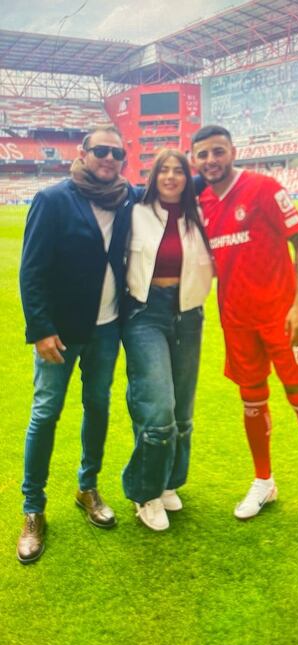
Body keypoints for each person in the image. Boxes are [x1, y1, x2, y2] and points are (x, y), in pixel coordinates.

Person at [191, 124, 298, 540]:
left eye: (218, 151)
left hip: (281, 317)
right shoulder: (200, 200)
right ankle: (264, 482)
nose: (211, 160)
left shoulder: (263, 187)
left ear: (233, 151)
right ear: (195, 160)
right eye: (203, 154)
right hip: (236, 321)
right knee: (252, 400)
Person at [17, 124, 143, 563]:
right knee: (45, 414)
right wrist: (40, 329)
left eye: (117, 153)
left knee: (99, 407)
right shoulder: (53, 200)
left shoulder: (127, 198)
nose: (110, 159)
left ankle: (87, 488)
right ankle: (33, 509)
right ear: (84, 154)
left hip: (107, 329)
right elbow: (30, 270)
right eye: (102, 151)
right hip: (60, 332)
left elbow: (175, 184)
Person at [121, 148, 213, 531]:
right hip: (146, 314)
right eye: (164, 170)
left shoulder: (201, 214)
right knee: (158, 408)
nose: (171, 176)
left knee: (182, 411)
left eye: (178, 170)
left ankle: (170, 482)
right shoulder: (135, 211)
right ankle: (145, 493)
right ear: (154, 176)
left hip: (189, 314)